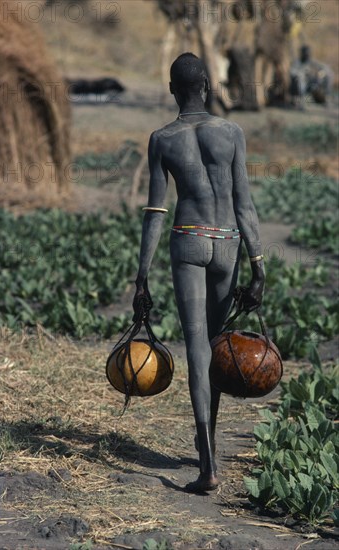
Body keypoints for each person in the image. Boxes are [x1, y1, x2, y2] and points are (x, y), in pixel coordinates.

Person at [132, 53, 265, 492]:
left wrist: (141, 276)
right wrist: (259, 265)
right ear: (206, 86)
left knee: (197, 349)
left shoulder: (162, 138)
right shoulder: (231, 132)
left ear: (173, 90)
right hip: (227, 243)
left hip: (187, 241)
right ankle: (206, 442)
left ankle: (207, 463)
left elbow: (155, 211)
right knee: (214, 343)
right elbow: (245, 205)